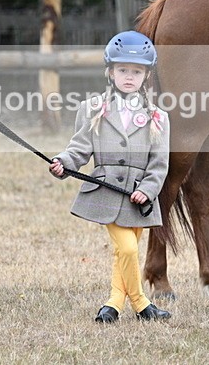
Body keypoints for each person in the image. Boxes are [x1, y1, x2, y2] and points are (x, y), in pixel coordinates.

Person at [49, 30, 171, 323]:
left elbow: (159, 164)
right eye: (122, 70)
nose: (129, 77)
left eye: (136, 71)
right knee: (127, 248)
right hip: (106, 193)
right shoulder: (92, 109)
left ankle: (113, 304)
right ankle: (142, 305)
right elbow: (79, 148)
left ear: (147, 75)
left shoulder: (159, 117)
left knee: (123, 254)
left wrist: (148, 190)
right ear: (110, 72)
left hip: (138, 198)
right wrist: (63, 162)